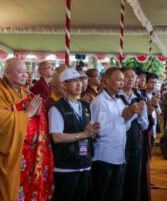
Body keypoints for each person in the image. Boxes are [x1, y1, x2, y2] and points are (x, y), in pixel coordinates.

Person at [0, 58, 53, 201]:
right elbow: (0, 122)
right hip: (11, 153)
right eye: (20, 72)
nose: (24, 75)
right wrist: (27, 114)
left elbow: (34, 110)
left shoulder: (24, 91)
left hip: (29, 152)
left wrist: (37, 112)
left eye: (26, 72)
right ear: (7, 73)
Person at [49, 68, 100, 201]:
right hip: (66, 165)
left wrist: (93, 131)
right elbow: (56, 137)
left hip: (85, 162)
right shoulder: (56, 108)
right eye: (73, 81)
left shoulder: (85, 106)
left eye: (80, 81)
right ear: (64, 85)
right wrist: (84, 134)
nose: (79, 84)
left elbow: (89, 131)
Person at [90, 67, 139, 201]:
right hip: (104, 157)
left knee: (115, 195)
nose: (121, 83)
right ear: (105, 81)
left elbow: (125, 127)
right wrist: (123, 117)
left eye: (123, 80)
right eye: (118, 80)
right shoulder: (100, 101)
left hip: (118, 156)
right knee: (101, 195)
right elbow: (99, 130)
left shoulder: (118, 100)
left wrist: (130, 115)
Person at [119, 68, 148, 201]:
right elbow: (118, 123)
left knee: (133, 177)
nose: (130, 79)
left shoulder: (140, 98)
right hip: (119, 144)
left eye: (133, 76)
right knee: (119, 178)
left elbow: (144, 125)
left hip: (135, 142)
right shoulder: (116, 97)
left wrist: (141, 115)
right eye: (127, 76)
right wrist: (133, 113)